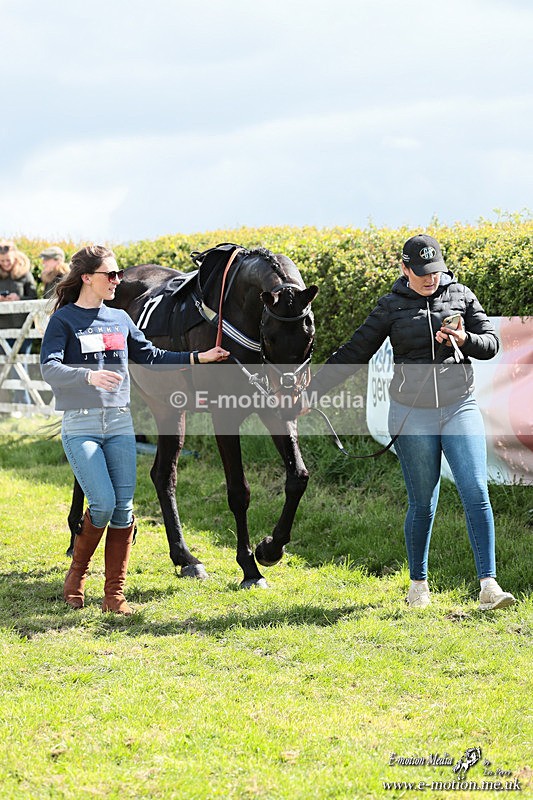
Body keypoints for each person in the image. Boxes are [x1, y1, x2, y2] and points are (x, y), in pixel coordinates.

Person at [306, 233, 516, 611]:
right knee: (423, 503)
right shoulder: (390, 306)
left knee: (475, 491)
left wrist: (464, 338)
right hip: (411, 414)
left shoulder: (461, 294)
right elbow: (354, 351)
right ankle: (418, 586)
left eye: (435, 270)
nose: (430, 278)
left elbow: (491, 344)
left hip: (460, 406)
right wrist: (312, 391)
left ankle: (489, 586)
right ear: (404, 269)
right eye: (421, 272)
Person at [41, 244, 229, 615]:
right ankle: (77, 575)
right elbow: (49, 367)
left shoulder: (120, 319)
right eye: (110, 274)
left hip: (120, 423)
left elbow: (151, 356)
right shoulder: (64, 321)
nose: (117, 280)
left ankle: (114, 595)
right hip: (81, 423)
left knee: (124, 509)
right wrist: (88, 376)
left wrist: (199, 357)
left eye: (119, 274)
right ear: (87, 278)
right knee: (103, 503)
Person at [0, 240, 38, 405]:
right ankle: (5, 406)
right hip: (2, 329)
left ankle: (23, 403)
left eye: (8, 260)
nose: (5, 264)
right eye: (2, 261)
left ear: (15, 257)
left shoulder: (25, 274)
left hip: (23, 328)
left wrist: (19, 298)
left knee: (21, 365)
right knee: (3, 367)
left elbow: (34, 298)